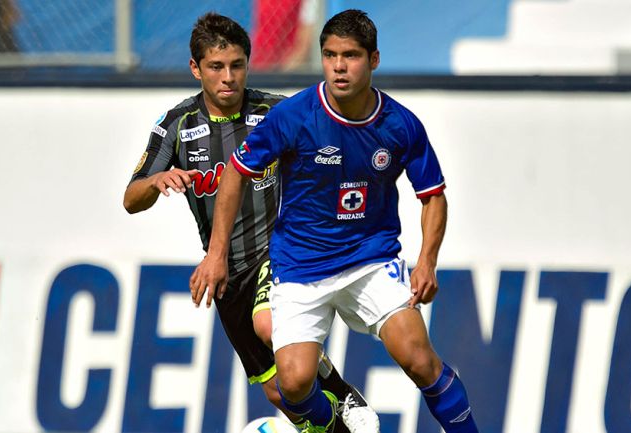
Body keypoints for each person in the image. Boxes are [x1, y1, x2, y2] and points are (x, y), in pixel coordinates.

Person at [191, 9, 479, 433]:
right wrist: (216, 254)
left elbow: (432, 196)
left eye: (351, 55)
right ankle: (335, 423)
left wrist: (426, 262)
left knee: (420, 359)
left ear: (374, 59)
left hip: (371, 259)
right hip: (300, 267)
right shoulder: (296, 116)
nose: (339, 66)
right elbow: (236, 171)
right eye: (330, 55)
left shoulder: (400, 125)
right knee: (293, 383)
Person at [123, 12, 378, 433]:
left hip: (280, 251)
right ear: (195, 68)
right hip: (225, 273)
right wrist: (155, 181)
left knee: (269, 325)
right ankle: (336, 428)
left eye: (237, 65)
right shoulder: (177, 125)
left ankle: (344, 392)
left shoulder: (275, 112)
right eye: (216, 67)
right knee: (279, 390)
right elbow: (131, 199)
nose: (228, 77)